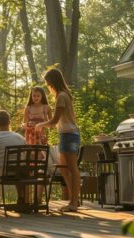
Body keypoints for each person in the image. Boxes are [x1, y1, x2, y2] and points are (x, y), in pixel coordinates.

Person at [35, 68, 80, 212]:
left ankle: (73, 203)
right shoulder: (64, 94)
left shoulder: (61, 96)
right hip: (65, 134)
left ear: (53, 81)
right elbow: (57, 123)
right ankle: (74, 200)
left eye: (48, 83)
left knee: (72, 169)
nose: (48, 86)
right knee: (64, 169)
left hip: (70, 135)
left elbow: (54, 121)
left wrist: (40, 125)